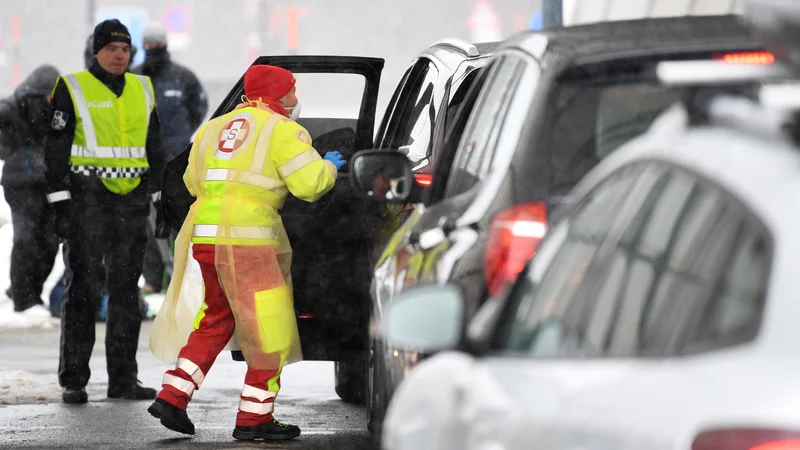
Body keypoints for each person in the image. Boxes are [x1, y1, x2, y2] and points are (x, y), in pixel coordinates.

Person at [147, 64, 346, 441]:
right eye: (291, 91)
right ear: (276, 95)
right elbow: (310, 185)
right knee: (268, 331)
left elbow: (191, 181)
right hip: (251, 242)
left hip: (206, 239)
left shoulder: (212, 128)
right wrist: (329, 166)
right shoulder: (285, 130)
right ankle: (255, 419)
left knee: (215, 319)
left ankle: (173, 396)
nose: (295, 99)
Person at [45, 19, 164, 404]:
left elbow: (155, 145)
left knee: (126, 292)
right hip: (86, 200)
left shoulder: (143, 88)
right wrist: (59, 202)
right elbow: (57, 147)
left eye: (125, 49)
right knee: (83, 288)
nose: (119, 55)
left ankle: (123, 379)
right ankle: (75, 379)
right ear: (96, 51)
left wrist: (161, 196)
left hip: (130, 202)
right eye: (112, 48)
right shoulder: (73, 86)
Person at [133, 21, 208, 295]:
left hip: (176, 161)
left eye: (157, 43)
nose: (153, 48)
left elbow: (198, 106)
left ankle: (186, 277)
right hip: (142, 162)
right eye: (149, 44)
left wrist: (182, 132)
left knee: (180, 218)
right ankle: (153, 280)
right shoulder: (134, 77)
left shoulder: (183, 77)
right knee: (150, 224)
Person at [0, 64, 61, 317]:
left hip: (47, 183)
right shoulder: (9, 110)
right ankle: (24, 300)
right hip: (20, 185)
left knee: (49, 241)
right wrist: (15, 154)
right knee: (27, 239)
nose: (49, 101)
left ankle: (25, 292)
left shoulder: (56, 114)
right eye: (47, 96)